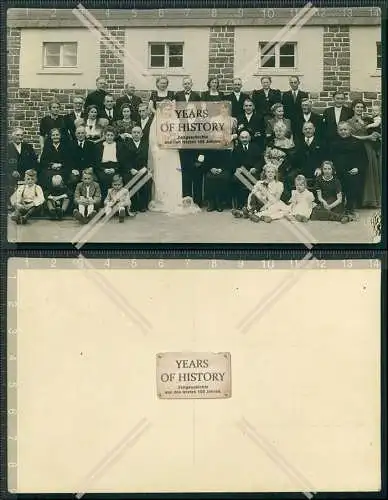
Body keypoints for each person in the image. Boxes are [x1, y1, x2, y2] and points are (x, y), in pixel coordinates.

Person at [147, 87, 200, 215]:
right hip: (161, 153)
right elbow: (153, 138)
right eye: (166, 109)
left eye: (170, 108)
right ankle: (162, 199)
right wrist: (158, 149)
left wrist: (175, 141)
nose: (168, 111)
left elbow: (180, 135)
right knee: (162, 176)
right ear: (161, 109)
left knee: (174, 174)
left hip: (173, 152)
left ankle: (175, 198)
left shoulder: (175, 121)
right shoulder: (157, 121)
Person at [328, 121, 367, 218]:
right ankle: (340, 208)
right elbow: (330, 158)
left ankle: (350, 208)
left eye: (345, 129)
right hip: (338, 172)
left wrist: (358, 168)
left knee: (352, 187)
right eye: (341, 130)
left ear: (350, 130)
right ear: (337, 131)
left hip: (352, 172)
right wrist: (332, 169)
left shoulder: (357, 142)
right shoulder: (334, 143)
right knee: (338, 189)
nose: (343, 132)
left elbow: (364, 159)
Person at [347, 99, 381, 208]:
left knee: (370, 173)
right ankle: (357, 201)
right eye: (357, 107)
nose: (360, 109)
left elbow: (375, 131)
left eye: (361, 107)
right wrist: (368, 137)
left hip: (368, 149)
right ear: (353, 108)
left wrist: (376, 135)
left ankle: (370, 201)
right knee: (359, 173)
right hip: (356, 148)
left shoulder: (367, 120)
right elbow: (351, 136)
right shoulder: (349, 122)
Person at [232, 129, 263, 210]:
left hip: (252, 171)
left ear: (249, 138)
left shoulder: (255, 147)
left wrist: (256, 168)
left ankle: (252, 204)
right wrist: (237, 168)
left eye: (246, 137)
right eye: (242, 137)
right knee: (236, 179)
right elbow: (232, 162)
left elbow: (261, 160)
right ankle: (241, 204)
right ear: (239, 138)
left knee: (255, 180)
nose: (244, 139)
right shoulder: (236, 148)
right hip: (241, 172)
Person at [264, 121, 296, 200]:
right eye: (276, 131)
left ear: (284, 132)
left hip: (284, 167)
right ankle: (265, 198)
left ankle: (281, 199)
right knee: (265, 174)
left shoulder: (289, 143)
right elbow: (266, 155)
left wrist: (278, 167)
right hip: (270, 166)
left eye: (280, 131)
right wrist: (269, 165)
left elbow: (290, 159)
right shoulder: (271, 142)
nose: (278, 133)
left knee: (279, 176)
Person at [94, 126, 128, 199]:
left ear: (114, 136)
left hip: (116, 167)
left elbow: (123, 161)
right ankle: (105, 201)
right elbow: (96, 162)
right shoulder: (98, 146)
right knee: (103, 178)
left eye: (111, 135)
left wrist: (115, 169)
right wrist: (103, 169)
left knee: (116, 178)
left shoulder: (120, 146)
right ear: (104, 135)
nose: (109, 137)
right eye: (108, 135)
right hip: (102, 168)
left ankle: (117, 201)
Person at [124, 126, 151, 212]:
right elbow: (124, 159)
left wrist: (145, 169)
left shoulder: (146, 145)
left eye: (138, 133)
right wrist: (130, 169)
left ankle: (143, 205)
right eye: (134, 132)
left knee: (146, 181)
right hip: (131, 170)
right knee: (129, 180)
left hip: (143, 169)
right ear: (131, 134)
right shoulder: (126, 145)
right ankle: (134, 204)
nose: (136, 134)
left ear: (142, 134)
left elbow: (149, 158)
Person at [8, 128, 38, 198]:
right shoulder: (7, 147)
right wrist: (11, 171)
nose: (20, 137)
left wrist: (30, 170)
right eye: (17, 135)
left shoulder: (28, 147)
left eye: (21, 135)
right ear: (12, 136)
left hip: (27, 173)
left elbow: (34, 160)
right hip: (12, 174)